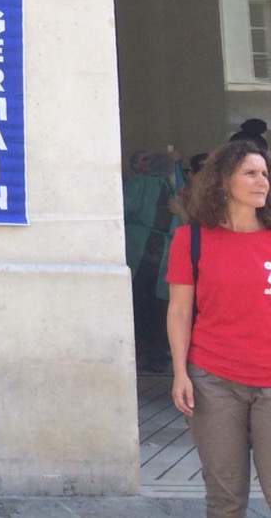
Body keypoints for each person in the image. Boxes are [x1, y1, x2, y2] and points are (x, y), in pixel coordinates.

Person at [166, 139, 271, 518]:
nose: (262, 181)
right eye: (250, 173)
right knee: (225, 500)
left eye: (264, 173)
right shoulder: (191, 239)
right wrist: (180, 373)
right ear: (224, 182)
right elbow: (179, 312)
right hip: (214, 381)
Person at [125, 148, 176, 372]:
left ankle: (143, 355)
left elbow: (124, 209)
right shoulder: (173, 187)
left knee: (137, 302)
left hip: (143, 248)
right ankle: (154, 357)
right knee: (157, 305)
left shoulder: (139, 183)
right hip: (159, 250)